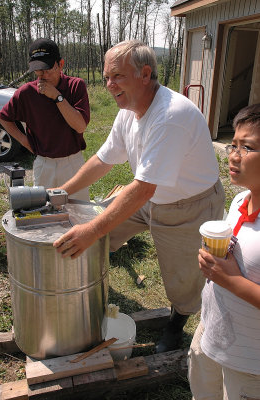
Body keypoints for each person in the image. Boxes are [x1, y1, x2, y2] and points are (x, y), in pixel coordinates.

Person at [53, 40, 225, 353]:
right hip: (147, 197)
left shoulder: (169, 116)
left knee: (181, 277)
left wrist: (92, 229)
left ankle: (176, 322)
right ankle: (82, 298)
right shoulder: (129, 111)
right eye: (106, 77)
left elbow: (144, 187)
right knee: (98, 235)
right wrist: (62, 193)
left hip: (188, 204)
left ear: (145, 74)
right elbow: (103, 160)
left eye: (116, 76)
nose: (109, 85)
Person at [188, 103, 260, 399]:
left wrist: (229, 278)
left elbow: (232, 275)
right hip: (212, 333)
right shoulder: (241, 200)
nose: (233, 155)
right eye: (233, 145)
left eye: (247, 148)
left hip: (248, 360)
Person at [0, 38, 90, 201]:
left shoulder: (76, 86)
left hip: (72, 163)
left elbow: (80, 126)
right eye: (37, 70)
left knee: (80, 213)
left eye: (47, 69)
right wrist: (25, 142)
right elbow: (4, 117)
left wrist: (57, 97)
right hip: (44, 164)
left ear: (60, 64)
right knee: (45, 215)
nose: (42, 75)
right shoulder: (26, 92)